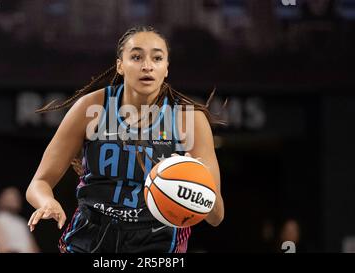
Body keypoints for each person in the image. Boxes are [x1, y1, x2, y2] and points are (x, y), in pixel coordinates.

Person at [26, 26, 225, 253]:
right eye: (136, 57)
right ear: (120, 65)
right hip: (91, 235)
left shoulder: (188, 119)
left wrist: (197, 184)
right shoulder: (91, 108)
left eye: (157, 58)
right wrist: (46, 201)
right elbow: (38, 183)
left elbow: (216, 216)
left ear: (166, 68)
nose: (147, 65)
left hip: (158, 239)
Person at [0, 186, 39, 253]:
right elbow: (0, 247)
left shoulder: (22, 221)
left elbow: (33, 247)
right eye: (11, 196)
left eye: (17, 196)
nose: (15, 199)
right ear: (1, 200)